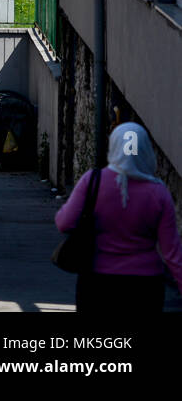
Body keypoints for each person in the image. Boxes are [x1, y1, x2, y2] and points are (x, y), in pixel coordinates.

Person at [55, 122, 182, 312]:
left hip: (98, 280)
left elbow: (64, 223)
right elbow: (171, 251)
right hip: (145, 283)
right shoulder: (158, 192)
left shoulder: (93, 181)